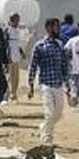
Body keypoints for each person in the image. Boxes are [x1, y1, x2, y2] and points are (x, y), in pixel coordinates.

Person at [29, 18, 70, 147]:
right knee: (50, 113)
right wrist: (30, 85)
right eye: (55, 27)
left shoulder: (60, 45)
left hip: (58, 84)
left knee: (58, 114)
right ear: (47, 28)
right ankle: (47, 140)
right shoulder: (40, 45)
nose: (57, 29)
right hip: (45, 84)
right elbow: (33, 66)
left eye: (58, 27)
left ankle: (44, 127)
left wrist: (67, 85)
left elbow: (64, 66)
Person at [4, 13, 28, 102]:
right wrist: (6, 55)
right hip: (10, 55)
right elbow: (5, 43)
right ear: (12, 20)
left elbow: (18, 44)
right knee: (11, 75)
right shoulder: (7, 30)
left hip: (16, 55)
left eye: (18, 20)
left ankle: (14, 93)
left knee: (16, 76)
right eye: (16, 20)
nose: (17, 22)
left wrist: (22, 53)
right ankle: (10, 93)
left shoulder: (17, 31)